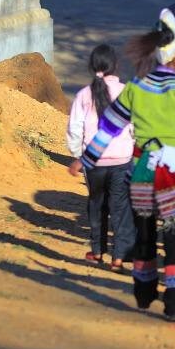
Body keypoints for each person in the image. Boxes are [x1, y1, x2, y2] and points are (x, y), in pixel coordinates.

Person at [79, 10, 175, 323]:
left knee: (144, 236)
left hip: (143, 171)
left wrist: (86, 161)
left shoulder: (136, 88)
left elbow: (109, 129)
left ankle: (144, 290)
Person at [67, 46, 134, 269]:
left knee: (96, 205)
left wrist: (79, 155)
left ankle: (97, 251)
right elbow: (135, 125)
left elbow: (75, 128)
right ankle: (119, 256)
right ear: (115, 66)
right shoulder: (126, 92)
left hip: (93, 162)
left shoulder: (83, 95)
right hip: (122, 159)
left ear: (91, 67)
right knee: (120, 207)